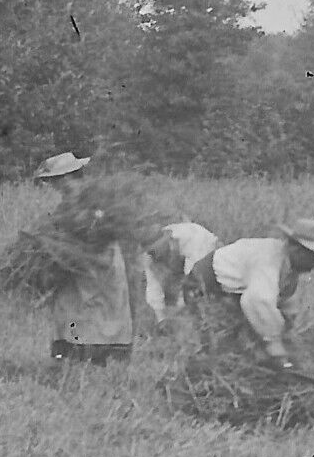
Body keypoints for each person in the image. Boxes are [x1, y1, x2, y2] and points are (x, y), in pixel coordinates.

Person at [35, 152, 149, 367]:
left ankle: (100, 360)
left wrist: (80, 239)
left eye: (59, 182)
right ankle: (70, 357)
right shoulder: (66, 203)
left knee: (103, 308)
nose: (57, 187)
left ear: (71, 177)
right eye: (54, 183)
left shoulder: (96, 197)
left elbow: (104, 227)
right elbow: (61, 224)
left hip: (100, 261)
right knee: (69, 306)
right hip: (75, 264)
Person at [185, 218, 314, 369]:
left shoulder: (288, 268)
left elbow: (284, 304)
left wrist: (287, 340)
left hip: (233, 291)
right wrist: (274, 344)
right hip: (204, 285)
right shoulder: (268, 259)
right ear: (297, 250)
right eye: (313, 258)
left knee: (249, 341)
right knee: (217, 344)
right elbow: (257, 301)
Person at [142, 221, 221, 323]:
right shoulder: (153, 254)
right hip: (182, 262)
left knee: (197, 297)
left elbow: (195, 285)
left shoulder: (197, 242)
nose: (153, 256)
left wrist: (179, 311)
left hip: (205, 258)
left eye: (155, 252)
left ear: (169, 241)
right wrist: (162, 320)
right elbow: (154, 289)